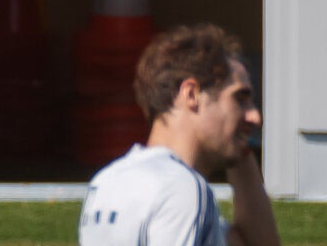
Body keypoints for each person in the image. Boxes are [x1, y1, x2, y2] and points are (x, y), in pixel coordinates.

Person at [79, 24, 281, 246]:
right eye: (239, 98)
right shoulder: (184, 188)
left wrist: (238, 142)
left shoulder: (106, 181)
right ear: (192, 94)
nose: (255, 117)